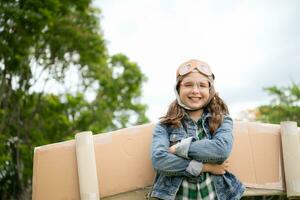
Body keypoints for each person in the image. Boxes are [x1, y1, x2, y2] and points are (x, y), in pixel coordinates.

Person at [149, 59, 245, 200]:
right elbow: (159, 161)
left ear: (209, 89)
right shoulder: (165, 125)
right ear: (178, 89)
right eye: (188, 84)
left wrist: (180, 149)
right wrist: (207, 167)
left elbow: (221, 150)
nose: (195, 91)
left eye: (202, 85)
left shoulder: (222, 120)